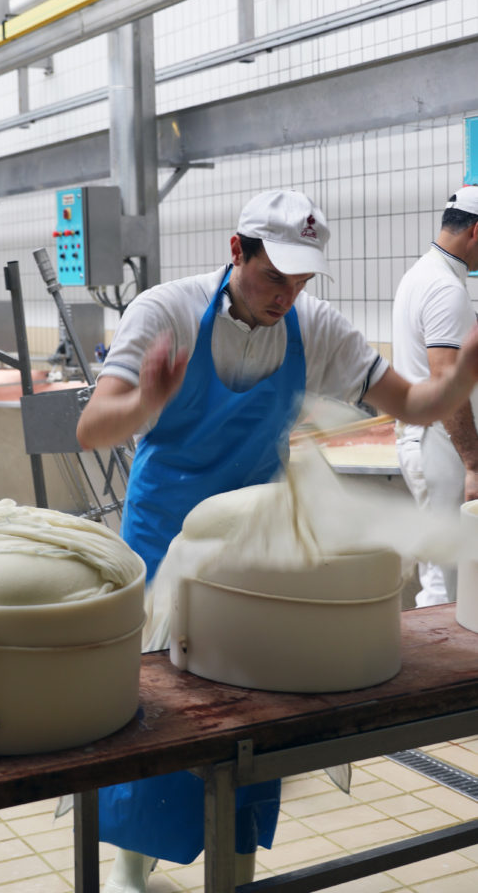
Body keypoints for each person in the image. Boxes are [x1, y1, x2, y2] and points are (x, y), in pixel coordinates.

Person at [76, 188, 478, 893]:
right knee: (157, 716)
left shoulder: (315, 326)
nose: (285, 295)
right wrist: (146, 400)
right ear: (237, 251)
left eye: (300, 280)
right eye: (273, 277)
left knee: (251, 719)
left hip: (254, 550)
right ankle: (128, 871)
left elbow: (417, 404)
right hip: (166, 539)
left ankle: (234, 871)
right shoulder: (166, 311)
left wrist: (465, 366)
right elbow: (93, 428)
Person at [393, 184, 478, 606]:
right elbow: (447, 381)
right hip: (438, 447)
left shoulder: (420, 274)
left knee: (442, 569)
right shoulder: (446, 288)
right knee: (450, 582)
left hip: (424, 439)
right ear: (477, 232)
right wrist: (474, 463)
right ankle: (447, 669)